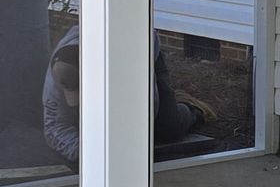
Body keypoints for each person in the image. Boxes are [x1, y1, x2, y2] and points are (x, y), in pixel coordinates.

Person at [42, 26, 213, 166]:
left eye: (83, 94)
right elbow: (55, 127)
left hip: (146, 51)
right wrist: (84, 152)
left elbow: (146, 113)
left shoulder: (131, 61)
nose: (76, 103)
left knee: (167, 129)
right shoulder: (60, 68)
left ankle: (191, 107)